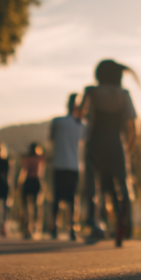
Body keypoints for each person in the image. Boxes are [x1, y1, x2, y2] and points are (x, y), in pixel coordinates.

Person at [80, 60, 139, 247]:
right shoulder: (124, 94)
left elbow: (80, 114)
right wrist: (128, 149)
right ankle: (125, 221)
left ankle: (95, 223)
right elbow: (133, 128)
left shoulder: (92, 91)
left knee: (93, 185)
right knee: (122, 183)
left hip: (96, 142)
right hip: (116, 142)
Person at [48, 94, 85, 240]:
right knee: (72, 198)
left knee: (57, 197)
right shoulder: (82, 126)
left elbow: (51, 138)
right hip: (73, 166)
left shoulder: (57, 122)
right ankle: (72, 228)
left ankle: (54, 228)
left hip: (59, 164)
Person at [17, 143, 45, 239]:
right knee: (36, 206)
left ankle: (28, 230)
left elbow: (23, 171)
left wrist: (19, 184)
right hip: (36, 182)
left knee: (26, 207)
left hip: (28, 182)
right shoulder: (40, 158)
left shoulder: (26, 158)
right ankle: (35, 229)